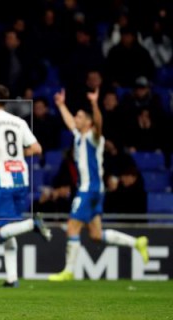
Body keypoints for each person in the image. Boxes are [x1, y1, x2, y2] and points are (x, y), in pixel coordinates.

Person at [48, 88, 149, 281]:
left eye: (79, 117)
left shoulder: (95, 138)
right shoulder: (79, 136)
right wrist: (61, 105)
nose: (75, 119)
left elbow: (100, 124)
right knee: (95, 234)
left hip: (89, 189)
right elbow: (69, 123)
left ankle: (69, 271)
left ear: (88, 122)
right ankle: (137, 243)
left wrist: (94, 104)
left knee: (72, 227)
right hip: (95, 191)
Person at [0, 84, 52, 287]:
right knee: (9, 228)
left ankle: (32, 224)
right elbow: (37, 148)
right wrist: (18, 154)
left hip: (2, 179)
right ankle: (12, 278)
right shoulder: (19, 121)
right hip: (21, 177)